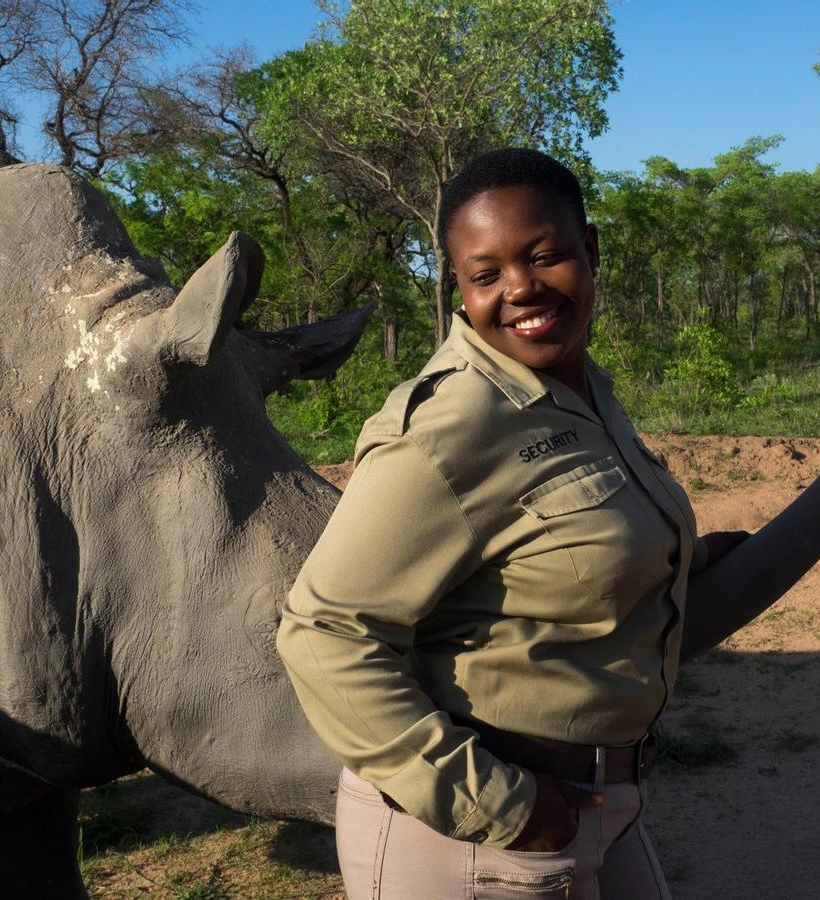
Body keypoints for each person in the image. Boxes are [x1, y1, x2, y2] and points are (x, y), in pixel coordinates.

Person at [276, 147, 746, 899]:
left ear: (589, 251)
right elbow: (323, 632)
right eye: (485, 274)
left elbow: (552, 555)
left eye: (545, 255)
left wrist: (675, 560)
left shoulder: (581, 387)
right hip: (480, 835)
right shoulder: (450, 427)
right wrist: (502, 805)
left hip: (605, 802)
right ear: (459, 290)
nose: (520, 288)